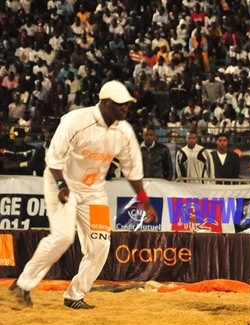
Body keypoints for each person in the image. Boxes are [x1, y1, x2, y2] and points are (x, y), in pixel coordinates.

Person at [9, 80, 158, 309]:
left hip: (94, 191)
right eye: (120, 104)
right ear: (105, 103)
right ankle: (22, 285)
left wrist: (144, 201)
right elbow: (54, 159)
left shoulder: (124, 132)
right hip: (62, 183)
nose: (125, 108)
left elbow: (132, 170)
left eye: (127, 104)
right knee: (63, 236)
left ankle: (74, 295)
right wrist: (62, 185)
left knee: (100, 245)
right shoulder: (76, 121)